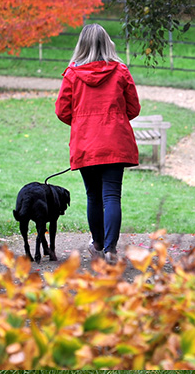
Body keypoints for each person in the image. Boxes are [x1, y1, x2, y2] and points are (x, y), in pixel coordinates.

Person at [55, 23, 141, 265]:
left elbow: (62, 111)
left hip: (86, 143)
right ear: (107, 43)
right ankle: (112, 249)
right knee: (112, 196)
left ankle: (98, 244)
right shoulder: (120, 71)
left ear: (81, 45)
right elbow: (134, 108)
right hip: (115, 141)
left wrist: (83, 122)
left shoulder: (72, 74)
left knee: (93, 196)